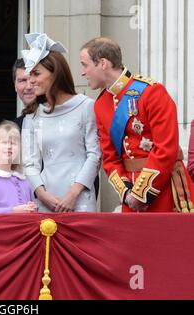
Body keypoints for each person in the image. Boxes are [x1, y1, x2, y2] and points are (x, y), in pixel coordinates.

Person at [80, 37, 194, 212]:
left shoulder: (151, 92)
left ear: (103, 63)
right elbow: (110, 158)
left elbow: (166, 148)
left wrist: (141, 194)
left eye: (85, 64)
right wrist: (127, 193)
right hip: (130, 195)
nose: (82, 72)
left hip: (164, 189)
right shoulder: (101, 104)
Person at [21, 33, 101, 213]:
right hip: (46, 201)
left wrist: (73, 194)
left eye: (36, 73)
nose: (31, 80)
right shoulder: (32, 116)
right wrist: (42, 195)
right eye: (29, 74)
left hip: (80, 199)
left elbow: (94, 155)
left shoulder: (86, 107)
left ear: (55, 73)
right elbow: (29, 163)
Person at [12, 58, 37, 130]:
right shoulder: (14, 129)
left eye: (33, 80)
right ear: (15, 86)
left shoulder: (59, 120)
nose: (29, 87)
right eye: (23, 80)